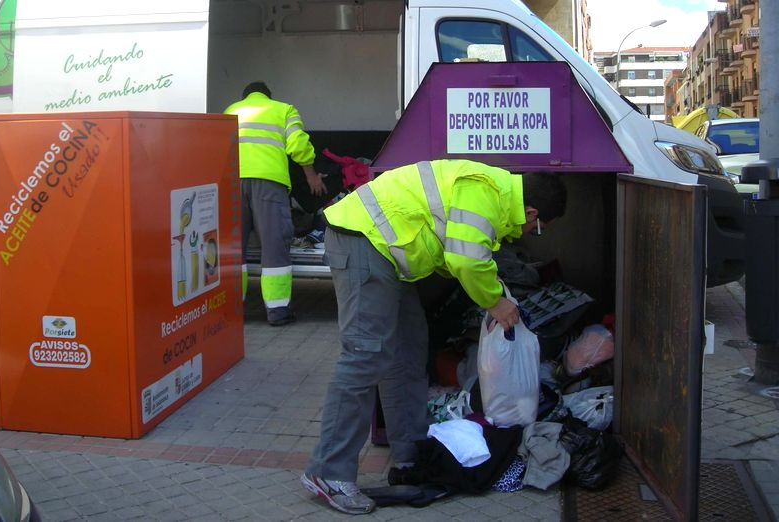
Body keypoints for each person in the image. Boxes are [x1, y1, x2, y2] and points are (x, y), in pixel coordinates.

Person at [300, 159, 567, 514]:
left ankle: (411, 457)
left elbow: (456, 251)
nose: (528, 234)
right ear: (530, 212)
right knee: (364, 355)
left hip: (384, 252)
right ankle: (328, 472)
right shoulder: (486, 192)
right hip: (362, 240)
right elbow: (466, 259)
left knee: (408, 350)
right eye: (538, 229)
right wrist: (495, 302)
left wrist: (495, 291)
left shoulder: (495, 197)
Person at [224, 82, 326, 326]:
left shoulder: (230, 110)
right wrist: (311, 175)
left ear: (245, 97)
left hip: (231, 183)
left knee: (234, 249)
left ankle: (233, 313)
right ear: (269, 96)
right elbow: (299, 145)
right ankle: (278, 312)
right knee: (274, 245)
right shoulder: (284, 110)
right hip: (269, 184)